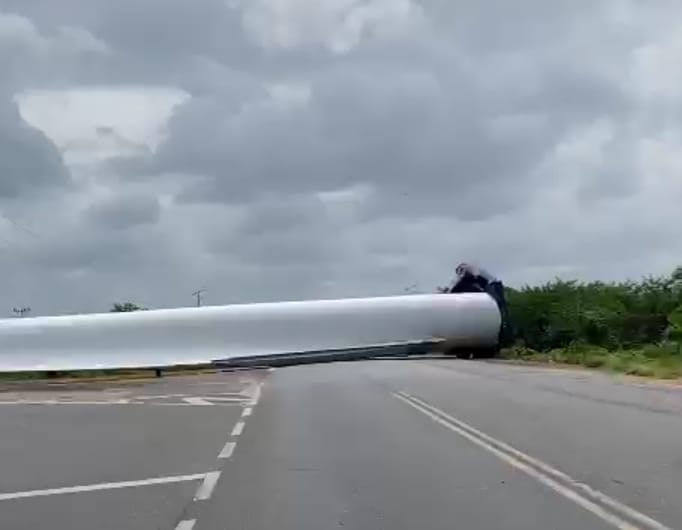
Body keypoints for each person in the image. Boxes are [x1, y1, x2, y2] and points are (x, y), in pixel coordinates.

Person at [448, 262, 512, 346]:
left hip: (493, 285)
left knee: (499, 305)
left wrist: (450, 290)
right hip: (487, 284)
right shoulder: (470, 274)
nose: (459, 274)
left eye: (459, 272)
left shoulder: (470, 269)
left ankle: (505, 335)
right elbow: (458, 282)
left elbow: (459, 279)